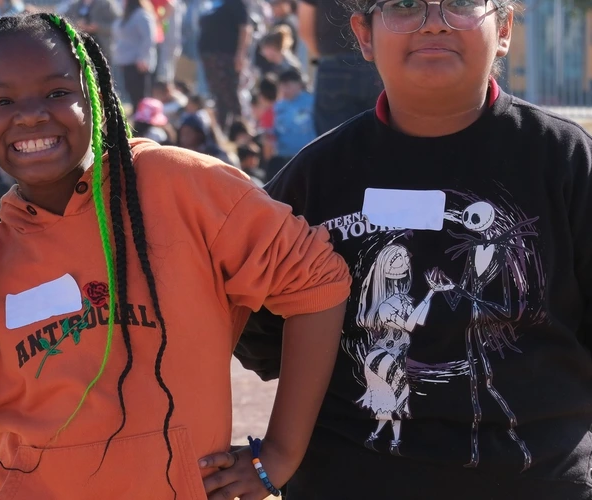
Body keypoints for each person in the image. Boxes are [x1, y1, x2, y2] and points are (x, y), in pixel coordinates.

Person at [0, 13, 352, 499]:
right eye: (2, 100)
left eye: (57, 92)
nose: (30, 114)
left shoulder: (176, 185)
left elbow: (317, 280)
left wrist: (280, 454)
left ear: (94, 97)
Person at [234, 0, 592, 497]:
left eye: (461, 4)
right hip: (352, 479)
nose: (435, 22)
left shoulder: (565, 160)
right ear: (363, 35)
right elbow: (257, 327)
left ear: (504, 27)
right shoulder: (315, 179)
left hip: (536, 480)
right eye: (405, 6)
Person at [298, 0, 382, 133]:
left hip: (333, 66)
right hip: (376, 63)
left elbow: (305, 29)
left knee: (333, 142)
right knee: (380, 138)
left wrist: (325, 57)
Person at [198, 0, 253, 130]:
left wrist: (241, 55)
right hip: (209, 57)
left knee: (230, 95)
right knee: (218, 97)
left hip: (226, 56)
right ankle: (222, 130)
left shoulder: (236, 3)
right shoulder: (212, 3)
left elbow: (245, 28)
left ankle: (240, 130)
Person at [265, 68, 315, 177]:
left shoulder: (313, 102)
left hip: (308, 156)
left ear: (299, 84)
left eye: (287, 85)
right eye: (281, 86)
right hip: (285, 159)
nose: (284, 90)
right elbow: (273, 131)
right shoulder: (278, 107)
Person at [112, 0, 158, 108]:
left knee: (141, 96)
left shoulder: (142, 15)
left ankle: (143, 121)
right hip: (126, 61)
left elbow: (149, 38)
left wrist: (143, 58)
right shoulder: (125, 15)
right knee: (131, 91)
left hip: (138, 63)